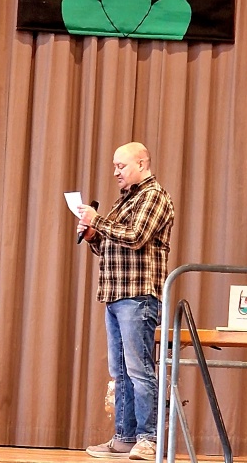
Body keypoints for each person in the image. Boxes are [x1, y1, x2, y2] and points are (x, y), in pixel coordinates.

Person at [77, 142, 174, 461]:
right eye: (114, 166)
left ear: (142, 164)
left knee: (139, 370)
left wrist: (98, 220)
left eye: (121, 166)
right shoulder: (125, 200)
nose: (116, 172)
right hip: (116, 294)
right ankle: (124, 438)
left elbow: (135, 236)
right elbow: (111, 246)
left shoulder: (154, 196)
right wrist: (93, 236)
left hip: (138, 296)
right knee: (120, 371)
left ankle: (149, 438)